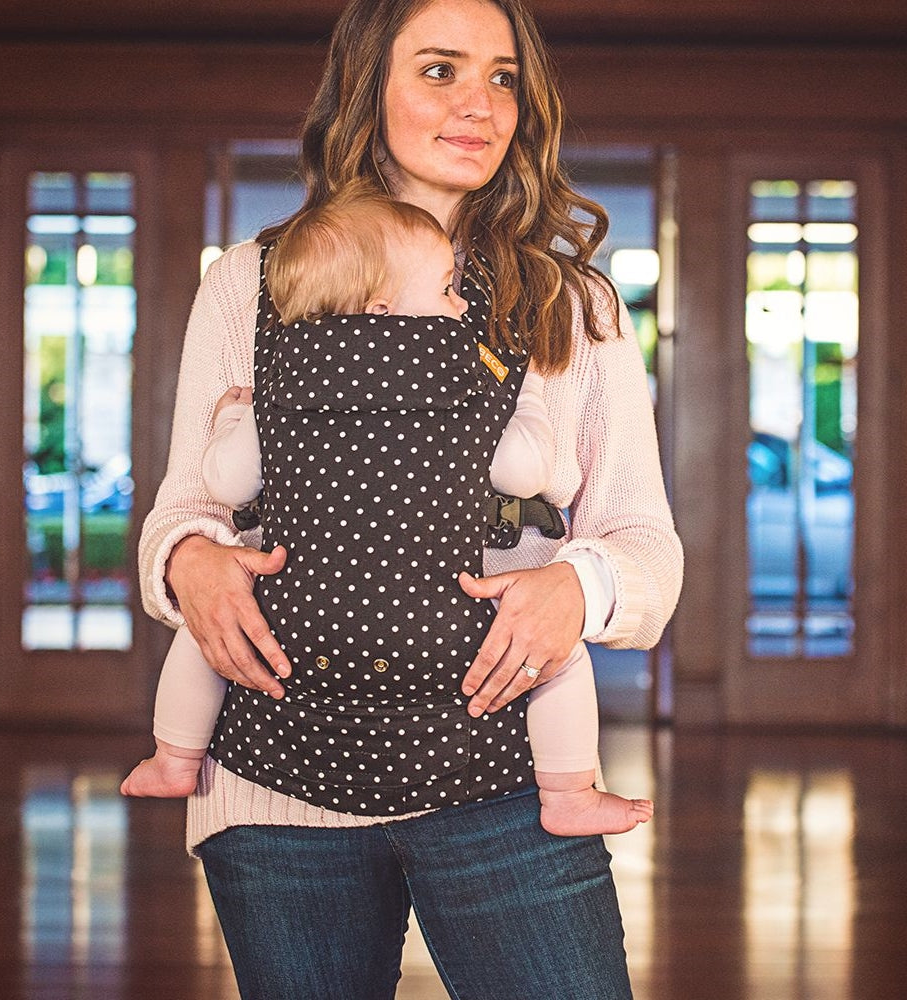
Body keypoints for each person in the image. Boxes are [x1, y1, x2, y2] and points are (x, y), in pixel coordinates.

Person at [138, 0, 683, 996]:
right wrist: (188, 563)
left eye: (503, 76)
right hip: (274, 775)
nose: (479, 103)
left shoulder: (571, 305)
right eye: (439, 70)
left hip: (508, 771)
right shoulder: (247, 283)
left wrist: (581, 587)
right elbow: (186, 507)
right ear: (365, 88)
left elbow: (645, 540)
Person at [124, 181, 654, 840]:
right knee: (562, 664)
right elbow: (523, 470)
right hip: (458, 642)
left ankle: (174, 755)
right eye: (445, 289)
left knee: (197, 646)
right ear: (384, 302)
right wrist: (531, 409)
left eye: (502, 79)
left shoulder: (284, 372)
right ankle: (569, 791)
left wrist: (234, 416)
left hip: (296, 631)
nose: (457, 302)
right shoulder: (464, 371)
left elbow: (225, 483)